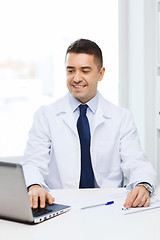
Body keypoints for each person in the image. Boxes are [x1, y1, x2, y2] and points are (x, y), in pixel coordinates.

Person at [22, 39, 156, 210]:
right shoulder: (46, 115)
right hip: (61, 205)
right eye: (71, 71)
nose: (77, 78)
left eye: (85, 70)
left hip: (109, 207)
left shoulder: (121, 118)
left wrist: (143, 185)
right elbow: (33, 162)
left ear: (101, 74)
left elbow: (137, 163)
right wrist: (34, 186)